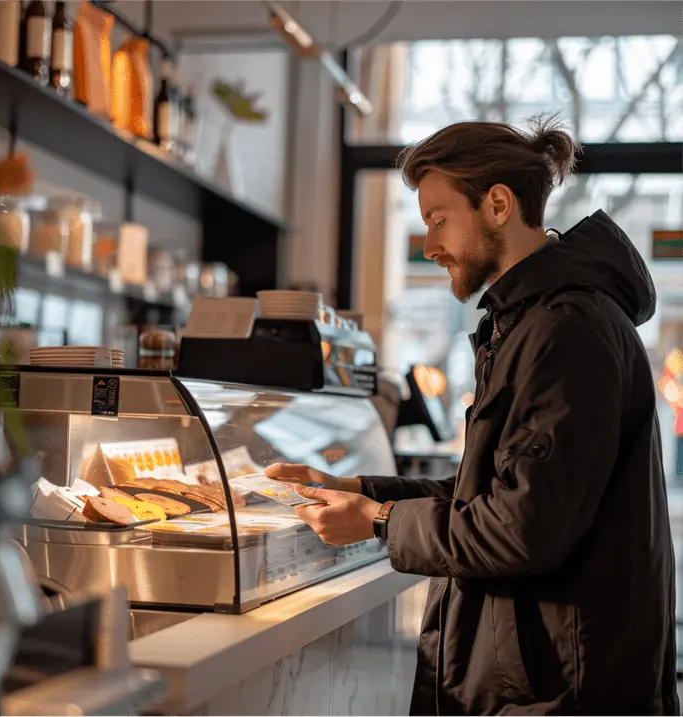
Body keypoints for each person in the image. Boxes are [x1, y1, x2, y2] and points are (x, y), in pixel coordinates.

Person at [265, 117, 680, 716]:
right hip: (544, 681)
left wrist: (380, 520)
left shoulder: (566, 331)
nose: (429, 243)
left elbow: (521, 528)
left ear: (498, 204)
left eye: (437, 219)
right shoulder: (530, 324)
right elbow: (490, 492)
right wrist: (357, 488)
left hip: (563, 694)